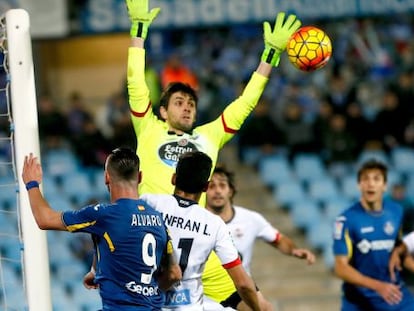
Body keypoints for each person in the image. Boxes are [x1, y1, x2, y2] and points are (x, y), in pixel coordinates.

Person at [125, 0, 302, 202]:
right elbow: (135, 82)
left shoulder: (209, 137)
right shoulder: (148, 128)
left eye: (191, 104)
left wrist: (270, 56)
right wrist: (138, 31)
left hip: (191, 231)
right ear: (163, 112)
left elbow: (245, 103)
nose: (187, 108)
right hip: (150, 229)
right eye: (179, 102)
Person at [22, 147, 182, 310]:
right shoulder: (158, 219)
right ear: (140, 177)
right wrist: (96, 271)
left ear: (106, 177)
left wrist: (31, 183)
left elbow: (45, 219)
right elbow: (174, 274)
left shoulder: (104, 215)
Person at [140, 151, 260, 311]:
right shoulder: (215, 224)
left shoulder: (148, 203)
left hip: (146, 302)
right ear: (205, 187)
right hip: (188, 306)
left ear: (174, 179)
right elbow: (243, 284)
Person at [203, 165, 316, 310]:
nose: (217, 191)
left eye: (222, 185)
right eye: (211, 186)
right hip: (204, 288)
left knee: (265, 308)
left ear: (230, 191)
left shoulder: (250, 218)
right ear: (204, 190)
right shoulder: (199, 220)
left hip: (238, 286)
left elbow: (278, 239)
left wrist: (294, 250)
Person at [332, 159, 414, 310]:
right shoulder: (346, 220)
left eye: (376, 179)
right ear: (359, 185)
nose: (370, 184)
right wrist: (378, 286)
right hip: (360, 301)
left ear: (384, 186)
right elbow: (340, 268)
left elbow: (398, 251)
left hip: (395, 296)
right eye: (365, 179)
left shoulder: (396, 211)